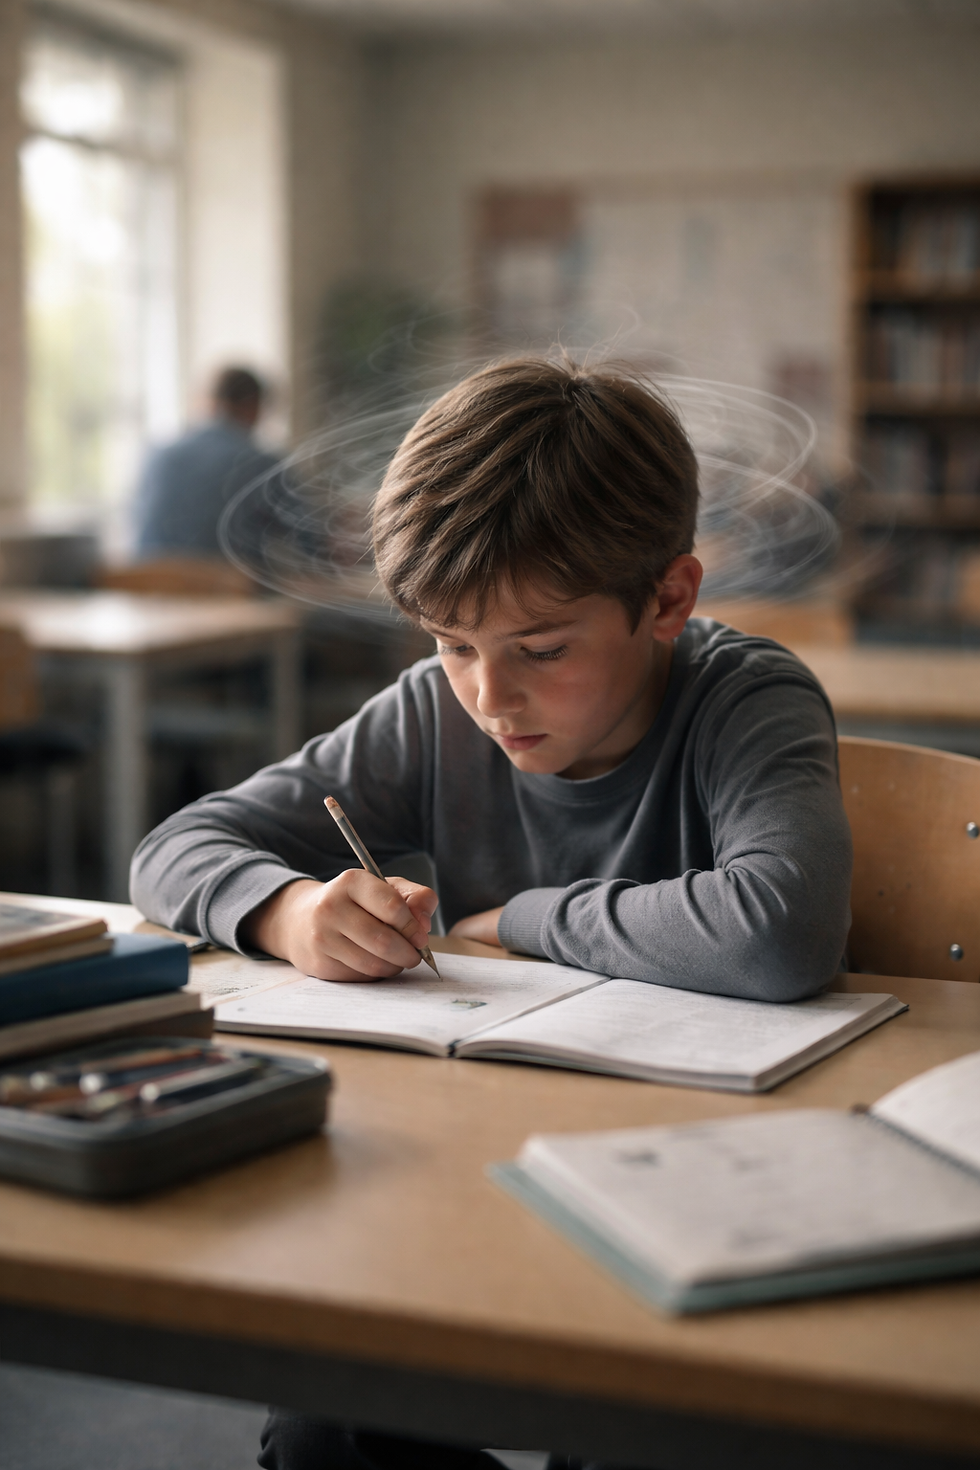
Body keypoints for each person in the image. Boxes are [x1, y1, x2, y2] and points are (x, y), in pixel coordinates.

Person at [130, 357, 852, 1470]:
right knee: (324, 1432)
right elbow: (174, 847)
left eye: (541, 649)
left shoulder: (744, 699)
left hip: (703, 1214)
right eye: (451, 643)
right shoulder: (432, 714)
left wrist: (517, 920)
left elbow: (776, 927)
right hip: (464, 1186)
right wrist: (285, 910)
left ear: (667, 598)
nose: (488, 696)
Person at [133, 366, 279, 558]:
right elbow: (312, 539)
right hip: (226, 585)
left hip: (145, 582)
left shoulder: (157, 454)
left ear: (207, 402)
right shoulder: (263, 464)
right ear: (255, 406)